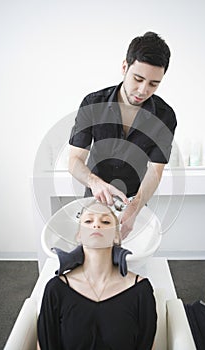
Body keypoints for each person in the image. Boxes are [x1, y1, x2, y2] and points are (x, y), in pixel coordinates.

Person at [68, 31, 177, 239]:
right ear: (124, 67)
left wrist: (134, 208)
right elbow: (74, 161)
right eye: (138, 79)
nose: (143, 90)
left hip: (134, 201)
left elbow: (155, 171)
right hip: (94, 197)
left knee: (130, 260)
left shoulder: (165, 116)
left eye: (154, 84)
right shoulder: (93, 104)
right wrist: (95, 183)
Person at [37, 201, 157, 350]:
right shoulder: (56, 289)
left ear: (116, 237)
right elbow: (45, 345)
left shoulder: (141, 291)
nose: (96, 225)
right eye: (88, 221)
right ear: (79, 236)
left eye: (105, 221)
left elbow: (146, 345)